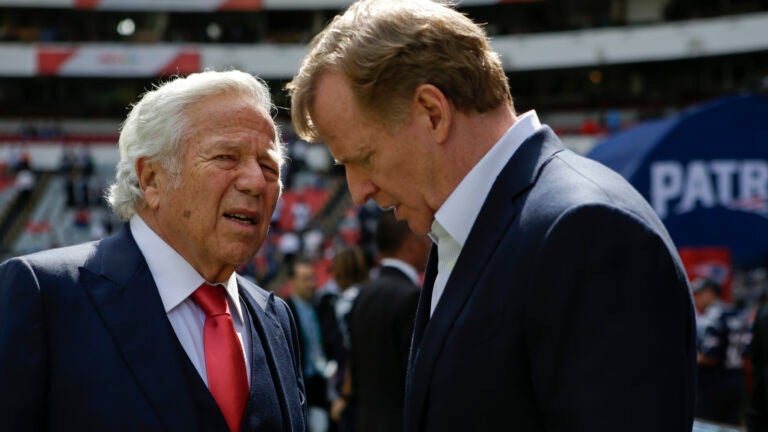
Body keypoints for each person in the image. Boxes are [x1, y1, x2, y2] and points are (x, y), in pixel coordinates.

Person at [287, 1, 696, 430]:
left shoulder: (586, 231)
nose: (358, 191)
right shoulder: (474, 225)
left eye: (365, 157)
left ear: (432, 112)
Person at [0, 70, 306, 432]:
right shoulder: (44, 294)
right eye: (226, 157)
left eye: (269, 166)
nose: (256, 182)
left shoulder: (275, 318)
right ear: (151, 179)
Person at [344, 210, 430, 432]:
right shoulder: (411, 297)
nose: (430, 245)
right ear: (411, 243)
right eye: (425, 238)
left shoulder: (362, 295)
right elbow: (417, 376)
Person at [692, 278, 748, 426]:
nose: (695, 298)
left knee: (706, 426)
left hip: (713, 383)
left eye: (699, 294)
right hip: (736, 380)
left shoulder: (712, 316)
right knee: (731, 427)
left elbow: (710, 357)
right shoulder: (738, 313)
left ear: (710, 293)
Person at [286, 258, 331, 432]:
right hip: (299, 385)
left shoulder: (322, 307)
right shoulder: (282, 311)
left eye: (313, 278)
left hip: (322, 381)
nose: (312, 284)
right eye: (305, 279)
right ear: (292, 282)